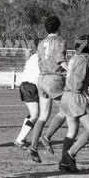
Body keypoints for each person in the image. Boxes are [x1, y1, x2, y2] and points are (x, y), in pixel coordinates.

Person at [28, 15, 67, 163]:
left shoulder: (41, 43)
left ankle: (33, 147)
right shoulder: (60, 41)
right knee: (66, 110)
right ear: (59, 26)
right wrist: (72, 71)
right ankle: (47, 137)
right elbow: (60, 61)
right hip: (54, 79)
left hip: (42, 79)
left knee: (43, 116)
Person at [59, 35, 89, 172]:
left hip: (66, 95)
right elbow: (78, 81)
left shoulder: (74, 57)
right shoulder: (84, 59)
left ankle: (64, 163)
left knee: (72, 131)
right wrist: (86, 94)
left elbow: (76, 77)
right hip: (76, 97)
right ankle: (70, 155)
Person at [14, 40, 40, 149]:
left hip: (26, 85)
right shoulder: (40, 58)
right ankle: (20, 139)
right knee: (35, 115)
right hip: (30, 86)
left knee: (32, 115)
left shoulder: (33, 57)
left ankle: (21, 138)